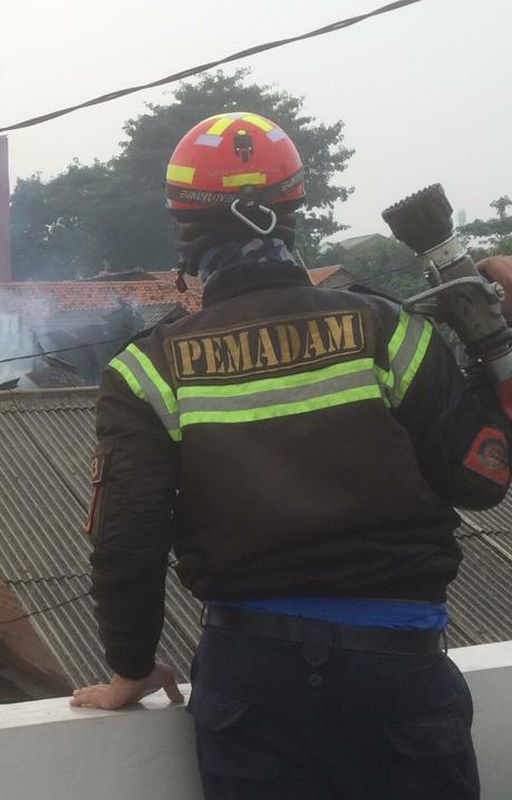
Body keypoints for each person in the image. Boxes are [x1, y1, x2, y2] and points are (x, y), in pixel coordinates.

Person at [69, 111, 512, 799]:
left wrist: (129, 664)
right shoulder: (386, 330)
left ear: (183, 225)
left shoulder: (146, 372)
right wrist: (495, 353)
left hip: (252, 687)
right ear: (295, 207)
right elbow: (483, 478)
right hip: (400, 678)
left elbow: (127, 538)